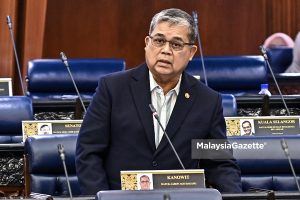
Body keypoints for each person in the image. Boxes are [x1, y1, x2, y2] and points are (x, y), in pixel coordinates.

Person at [75, 8, 242, 195]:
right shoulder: (113, 89)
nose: (165, 50)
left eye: (176, 44)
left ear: (191, 52)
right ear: (147, 43)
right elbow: (89, 153)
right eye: (159, 41)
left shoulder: (207, 101)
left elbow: (219, 165)